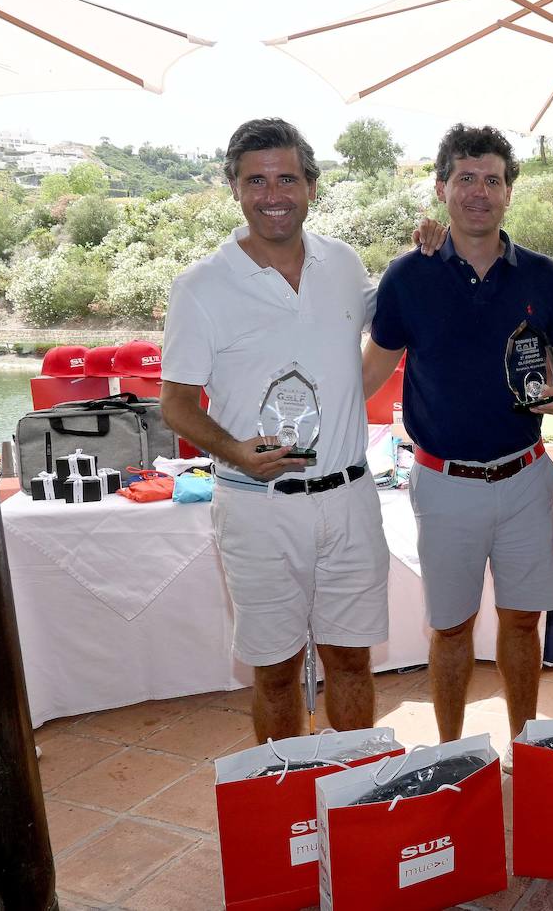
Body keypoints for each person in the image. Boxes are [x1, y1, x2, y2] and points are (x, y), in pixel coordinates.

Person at [161, 118, 389, 742]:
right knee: (277, 672)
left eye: (287, 178)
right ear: (234, 188)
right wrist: (235, 451)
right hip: (256, 508)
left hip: (349, 501)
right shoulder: (201, 286)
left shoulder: (343, 264)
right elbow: (176, 404)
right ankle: (288, 811)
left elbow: (383, 339)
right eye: (255, 180)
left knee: (350, 661)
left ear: (311, 186)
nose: (273, 194)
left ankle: (356, 795)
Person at [362, 124, 553, 752]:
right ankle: (455, 754)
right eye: (466, 178)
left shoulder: (543, 275)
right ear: (441, 188)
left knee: (522, 621)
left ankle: (525, 747)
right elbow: (368, 372)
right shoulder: (409, 275)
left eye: (493, 179)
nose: (479, 192)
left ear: (510, 192)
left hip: (524, 476)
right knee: (451, 627)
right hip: (444, 481)